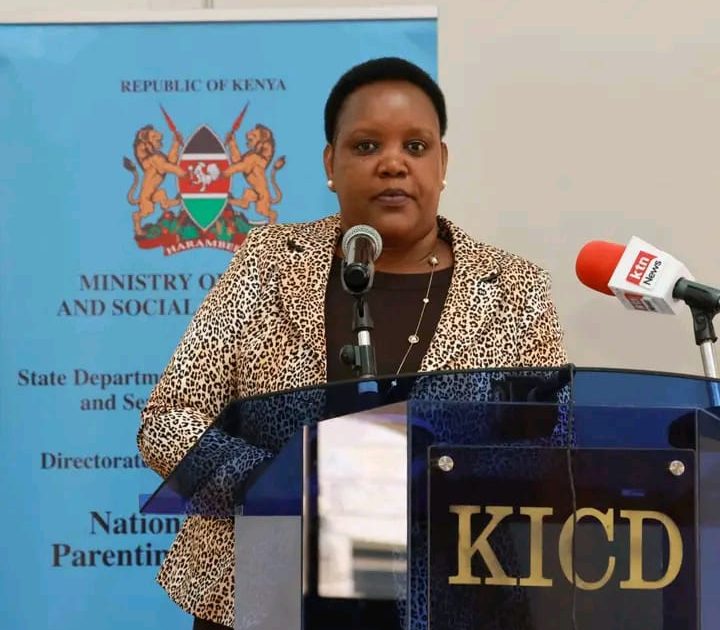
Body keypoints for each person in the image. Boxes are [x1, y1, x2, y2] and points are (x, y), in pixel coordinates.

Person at [138, 57, 567, 630]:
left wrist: (436, 475)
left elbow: (550, 448)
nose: (393, 163)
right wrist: (280, 484)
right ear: (330, 165)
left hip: (446, 598)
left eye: (416, 147)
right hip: (269, 595)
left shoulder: (514, 289)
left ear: (442, 164)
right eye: (366, 146)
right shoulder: (269, 263)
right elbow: (170, 420)